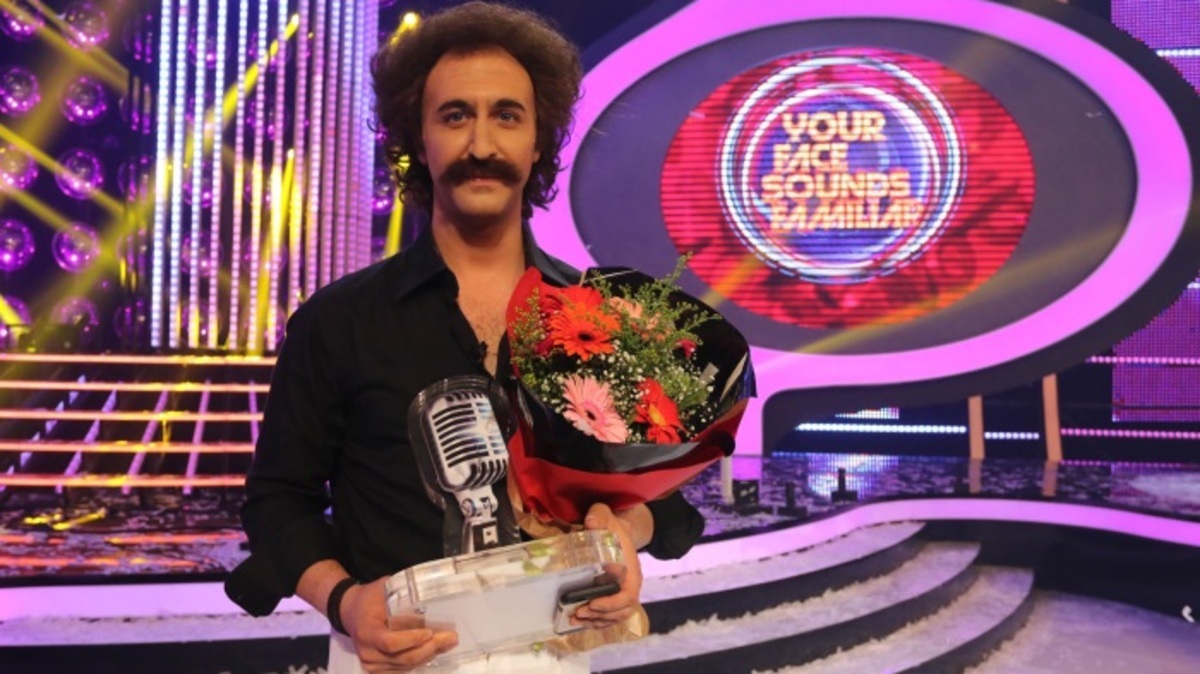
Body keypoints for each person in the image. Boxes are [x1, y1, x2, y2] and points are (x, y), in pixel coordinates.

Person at [224, 3, 706, 672]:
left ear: (538, 142)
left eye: (507, 116)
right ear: (417, 141)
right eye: (455, 117)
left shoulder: (600, 319)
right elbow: (279, 504)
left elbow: (666, 501)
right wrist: (347, 601)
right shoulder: (338, 322)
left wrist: (625, 534)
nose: (482, 145)